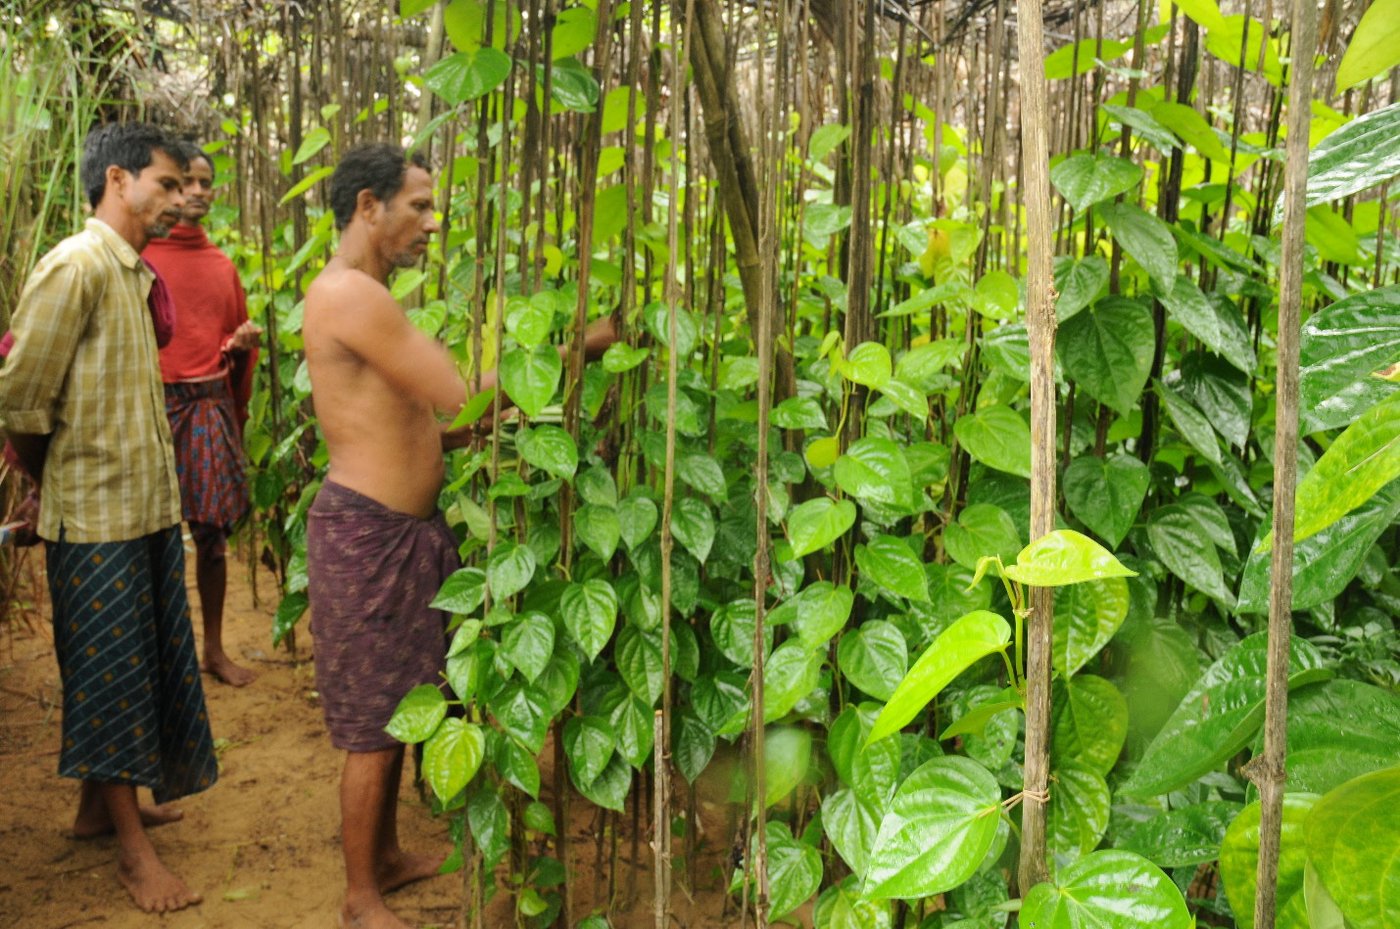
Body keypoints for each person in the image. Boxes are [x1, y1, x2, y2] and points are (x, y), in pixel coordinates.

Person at [0, 121, 218, 914]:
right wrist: (43, 480)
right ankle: (133, 853)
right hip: (95, 517)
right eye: (165, 184)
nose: (178, 199)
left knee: (138, 660)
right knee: (111, 674)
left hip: (140, 505)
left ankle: (100, 806)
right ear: (119, 180)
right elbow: (20, 396)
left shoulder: (130, 272)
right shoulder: (79, 265)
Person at [303, 143, 470, 929]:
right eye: (419, 206)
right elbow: (454, 394)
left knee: (400, 704)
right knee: (374, 725)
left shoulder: (360, 293)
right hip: (369, 536)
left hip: (392, 533)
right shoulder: (352, 295)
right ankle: (359, 897)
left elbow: (426, 421)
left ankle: (391, 858)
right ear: (368, 207)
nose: (432, 224)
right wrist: (573, 352)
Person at [142, 140, 261, 687]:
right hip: (151, 408)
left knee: (211, 538)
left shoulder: (221, 265)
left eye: (203, 183)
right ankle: (160, 659)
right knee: (150, 540)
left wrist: (239, 346)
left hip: (209, 405)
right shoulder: (139, 256)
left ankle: (212, 649)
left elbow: (232, 343)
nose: (194, 192)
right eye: (182, 181)